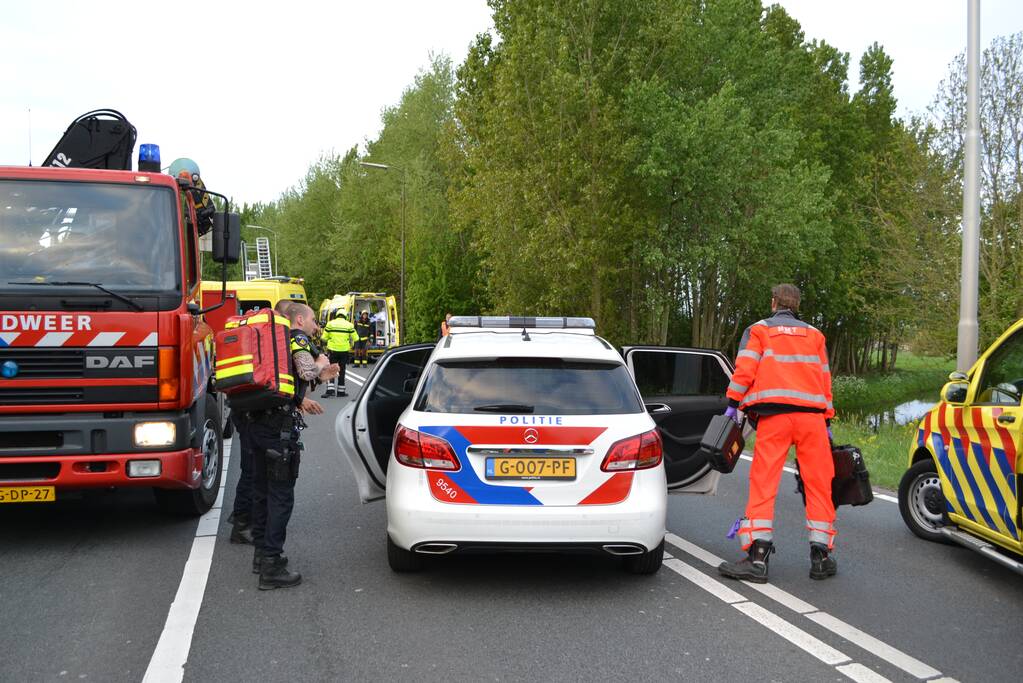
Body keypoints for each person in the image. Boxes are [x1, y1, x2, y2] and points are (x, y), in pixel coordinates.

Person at [717, 283, 837, 584]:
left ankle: (757, 560)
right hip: (813, 420)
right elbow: (825, 382)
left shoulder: (759, 330)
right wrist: (828, 422)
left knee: (764, 483)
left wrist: (732, 404)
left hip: (775, 419)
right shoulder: (815, 335)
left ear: (774, 303)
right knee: (818, 486)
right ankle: (821, 558)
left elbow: (744, 370)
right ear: (796, 305)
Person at [246, 303, 339, 589]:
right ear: (299, 319)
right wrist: (321, 366)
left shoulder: (272, 341)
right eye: (313, 320)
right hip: (278, 430)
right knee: (281, 496)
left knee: (261, 491)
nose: (315, 325)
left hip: (257, 423)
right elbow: (306, 370)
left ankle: (261, 555)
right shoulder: (298, 339)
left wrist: (307, 391)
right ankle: (272, 565)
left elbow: (288, 383)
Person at [228, 299, 296, 545]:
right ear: (290, 317)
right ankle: (243, 523)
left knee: (253, 472)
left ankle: (246, 522)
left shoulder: (259, 337)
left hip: (244, 410)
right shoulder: (277, 339)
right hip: (265, 416)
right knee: (257, 476)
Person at [321, 310, 356, 397]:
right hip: (344, 351)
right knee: (342, 370)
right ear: (345, 316)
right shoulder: (349, 325)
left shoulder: (330, 324)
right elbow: (356, 338)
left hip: (333, 351)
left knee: (331, 369)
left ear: (337, 315)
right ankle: (341, 391)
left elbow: (323, 338)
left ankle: (330, 390)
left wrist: (331, 338)